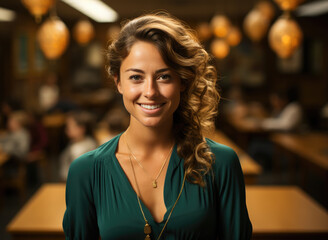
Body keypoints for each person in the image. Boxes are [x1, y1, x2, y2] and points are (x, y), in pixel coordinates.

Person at [63, 13, 252, 239]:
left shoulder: (221, 164)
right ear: (118, 82)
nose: (150, 91)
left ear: (182, 81)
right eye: (136, 77)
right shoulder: (85, 172)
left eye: (164, 77)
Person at [59, 110, 98, 181]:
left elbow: (80, 174)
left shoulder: (85, 148)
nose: (67, 130)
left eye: (70, 126)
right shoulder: (75, 142)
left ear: (81, 129)